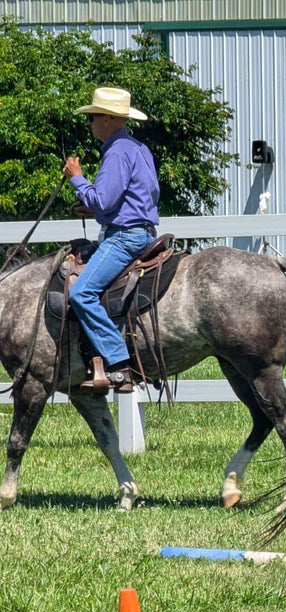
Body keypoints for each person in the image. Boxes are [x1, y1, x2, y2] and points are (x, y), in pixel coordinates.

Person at [63, 87, 160, 393]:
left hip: (124, 238)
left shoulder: (116, 151)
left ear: (107, 118)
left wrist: (77, 178)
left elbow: (105, 201)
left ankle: (118, 363)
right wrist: (89, 205)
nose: (89, 123)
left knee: (82, 293)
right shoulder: (138, 148)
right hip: (142, 232)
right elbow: (127, 200)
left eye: (92, 117)